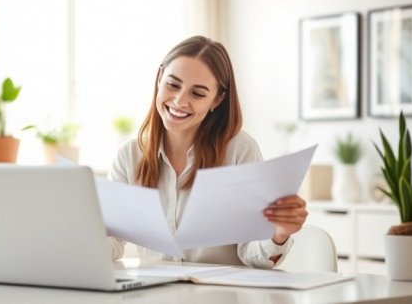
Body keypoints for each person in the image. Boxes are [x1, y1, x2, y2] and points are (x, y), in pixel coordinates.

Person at [107, 35, 307, 269]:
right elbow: (111, 246)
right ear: (160, 78)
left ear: (217, 99)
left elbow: (253, 255)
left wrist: (278, 234)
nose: (180, 101)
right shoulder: (129, 155)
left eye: (198, 94)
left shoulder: (239, 151)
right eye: (173, 85)